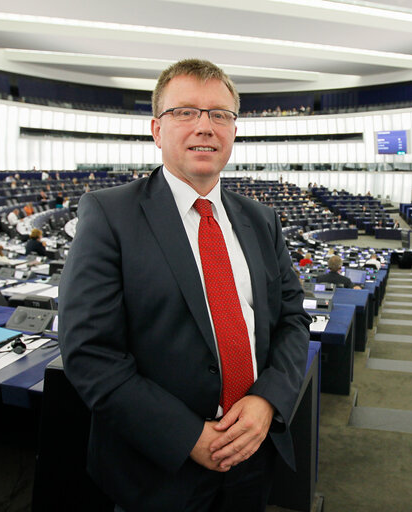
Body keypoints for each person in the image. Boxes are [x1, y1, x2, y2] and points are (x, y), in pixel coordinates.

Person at [58, 59, 310, 511]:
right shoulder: (107, 214)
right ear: (156, 129)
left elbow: (292, 320)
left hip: (254, 452)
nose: (205, 127)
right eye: (186, 112)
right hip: (158, 468)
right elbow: (90, 352)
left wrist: (268, 401)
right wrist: (188, 436)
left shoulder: (261, 219)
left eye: (220, 114)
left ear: (234, 130)